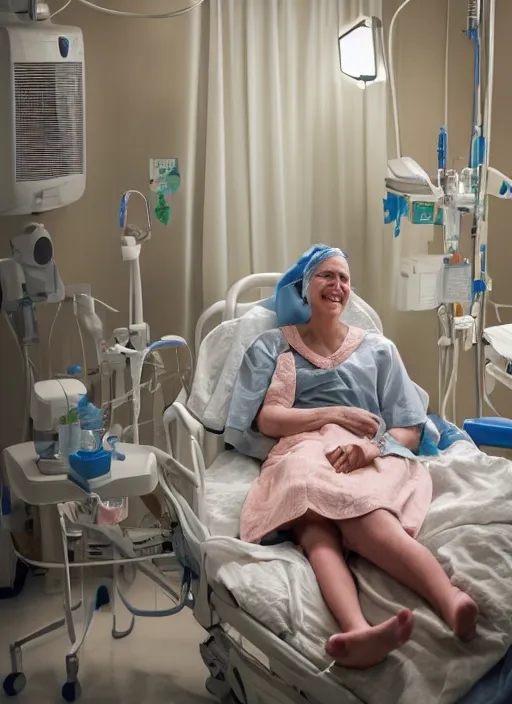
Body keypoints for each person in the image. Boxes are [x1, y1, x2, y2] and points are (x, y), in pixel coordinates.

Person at [225, 245, 479, 670]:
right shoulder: (275, 347)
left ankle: (451, 600)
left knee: (364, 516)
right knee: (313, 523)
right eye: (326, 275)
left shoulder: (379, 350)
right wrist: (332, 414)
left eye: (344, 278)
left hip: (366, 451)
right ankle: (357, 631)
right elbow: (266, 421)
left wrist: (371, 447)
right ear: (305, 288)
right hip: (302, 450)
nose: (337, 285)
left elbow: (409, 429)